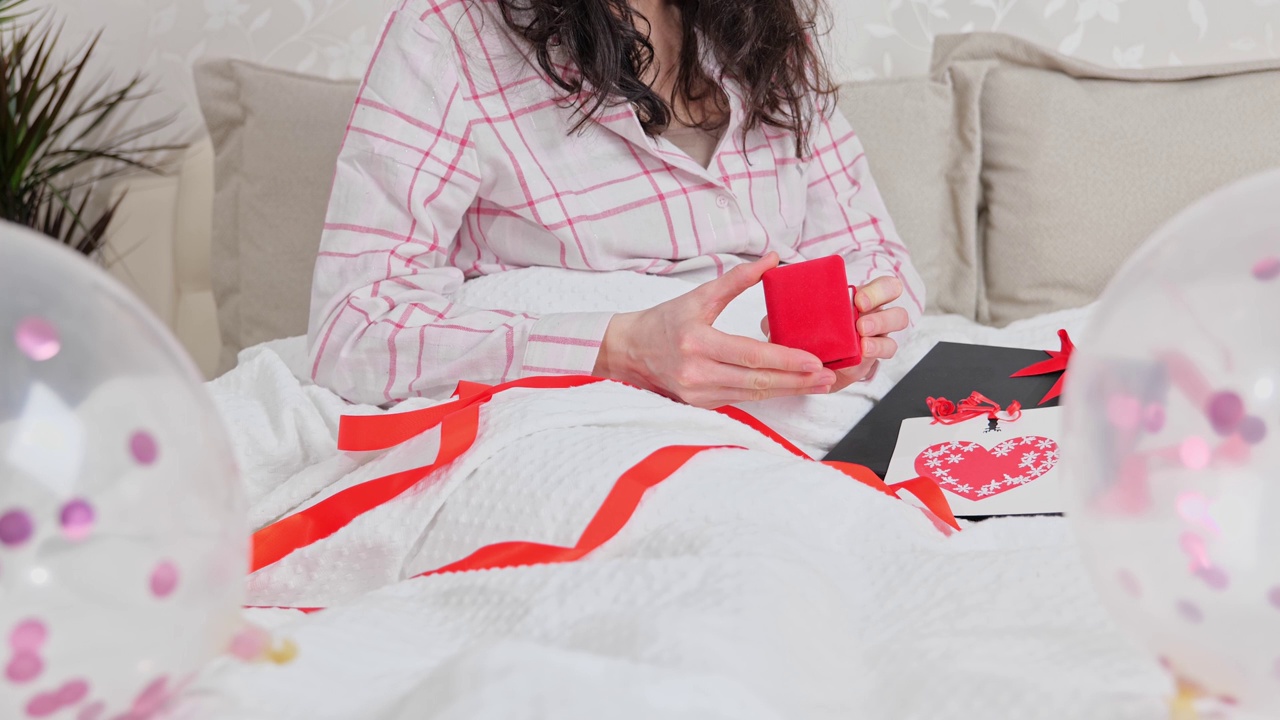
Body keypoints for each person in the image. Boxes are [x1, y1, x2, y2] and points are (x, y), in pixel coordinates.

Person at [307, 0, 924, 409]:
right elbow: (352, 326)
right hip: (577, 413)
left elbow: (871, 254)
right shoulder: (446, 32)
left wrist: (857, 328)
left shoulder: (761, 25)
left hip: (783, 410)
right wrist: (620, 349)